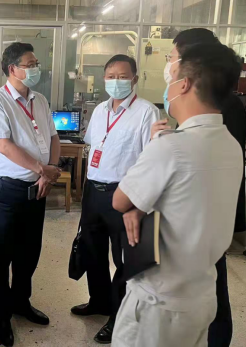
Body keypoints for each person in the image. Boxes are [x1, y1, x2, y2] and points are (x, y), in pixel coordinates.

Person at [111, 42, 243, 347]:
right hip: (201, 296)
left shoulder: (170, 147)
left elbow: (120, 200)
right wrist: (140, 206)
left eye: (172, 73)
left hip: (158, 304)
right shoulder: (230, 145)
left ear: (184, 84)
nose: (167, 83)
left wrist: (136, 204)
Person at [154, 28, 246, 347]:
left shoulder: (223, 105)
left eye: (172, 57)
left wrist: (169, 147)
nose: (169, 64)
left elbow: (210, 158)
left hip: (206, 212)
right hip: (194, 211)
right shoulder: (205, 103)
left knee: (213, 286)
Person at [70, 54, 160, 344]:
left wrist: (140, 202)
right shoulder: (99, 110)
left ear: (135, 79)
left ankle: (118, 315)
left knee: (123, 258)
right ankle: (98, 301)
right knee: (92, 249)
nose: (116, 81)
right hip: (93, 192)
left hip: (124, 194)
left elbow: (151, 159)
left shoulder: (146, 112)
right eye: (111, 76)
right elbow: (95, 145)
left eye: (122, 76)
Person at [0, 42, 61, 347]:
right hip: (9, 190)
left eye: (36, 63)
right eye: (31, 64)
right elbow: (4, 146)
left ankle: (21, 302)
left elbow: (53, 136)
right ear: (13, 68)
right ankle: (1, 318)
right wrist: (43, 169)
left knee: (29, 253)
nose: (36, 69)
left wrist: (50, 171)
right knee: (3, 256)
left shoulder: (40, 100)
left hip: (38, 189)